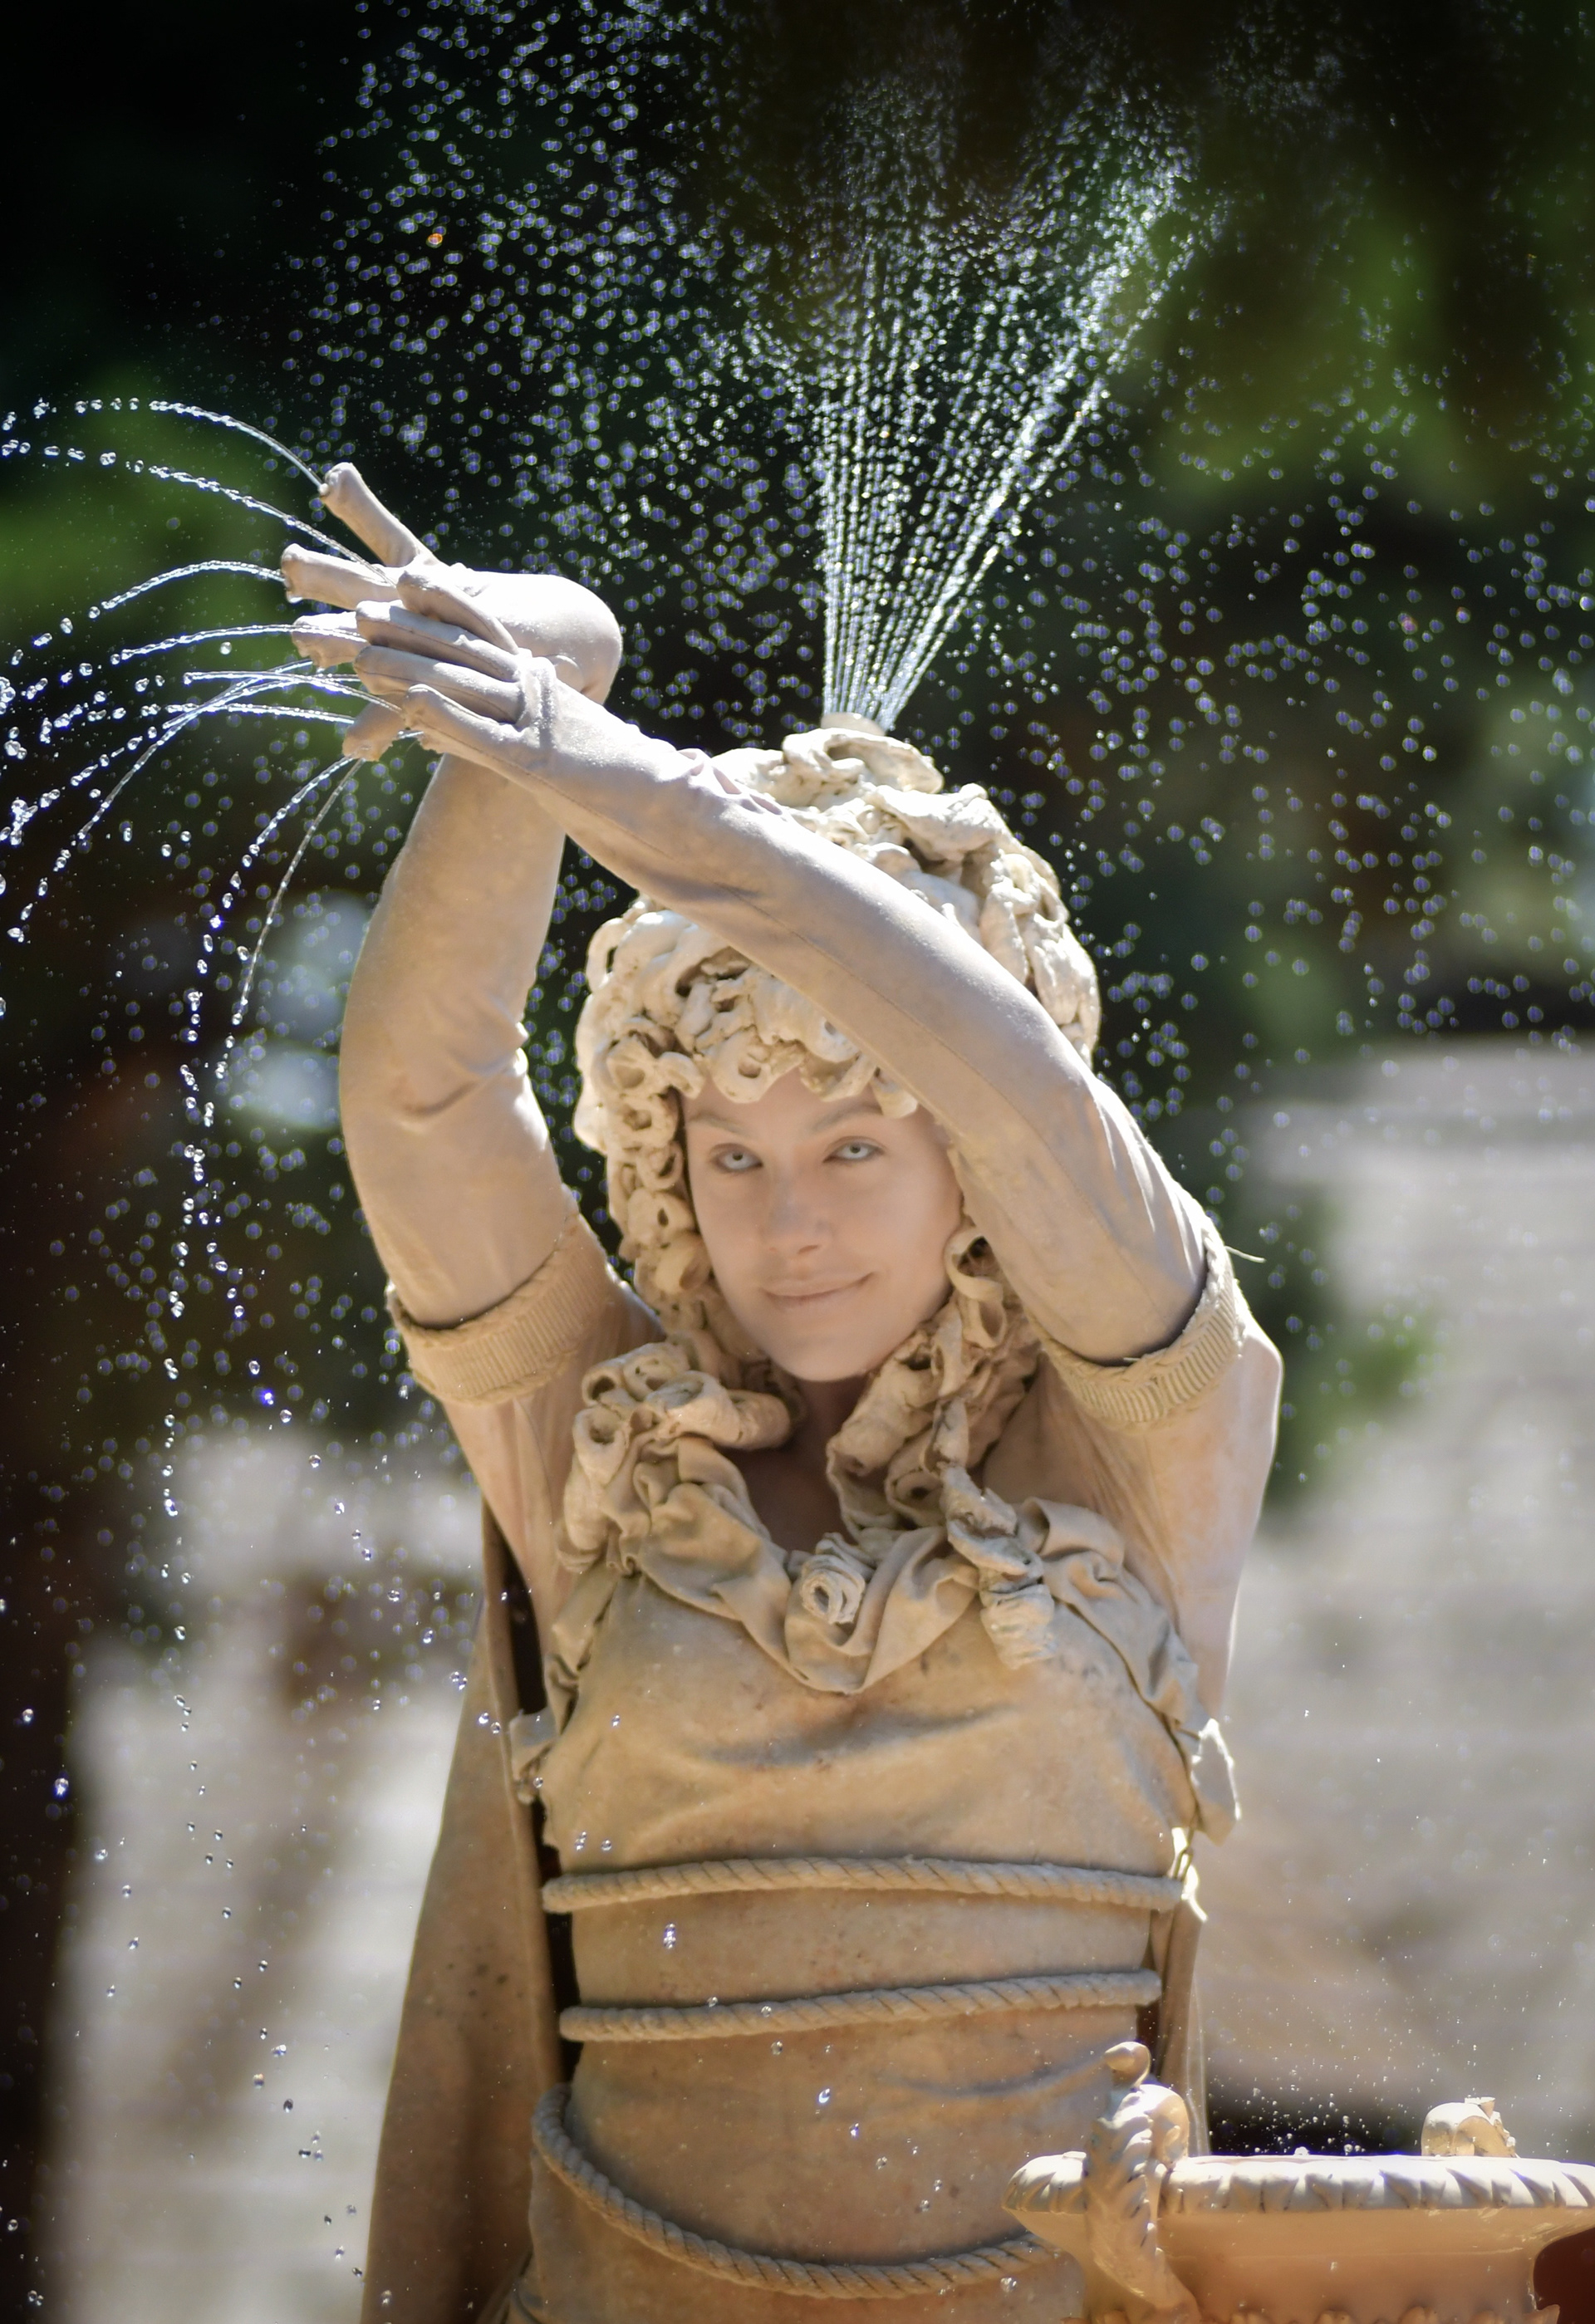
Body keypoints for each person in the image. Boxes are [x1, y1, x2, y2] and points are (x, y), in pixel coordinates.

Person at [287, 469, 1281, 2324]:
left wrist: (616, 775)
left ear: (963, 1169)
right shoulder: (612, 1460)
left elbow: (1012, 1087)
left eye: (848, 1142)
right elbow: (424, 1107)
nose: (791, 1225)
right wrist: (521, 718)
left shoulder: (1154, 1428)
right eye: (726, 1156)